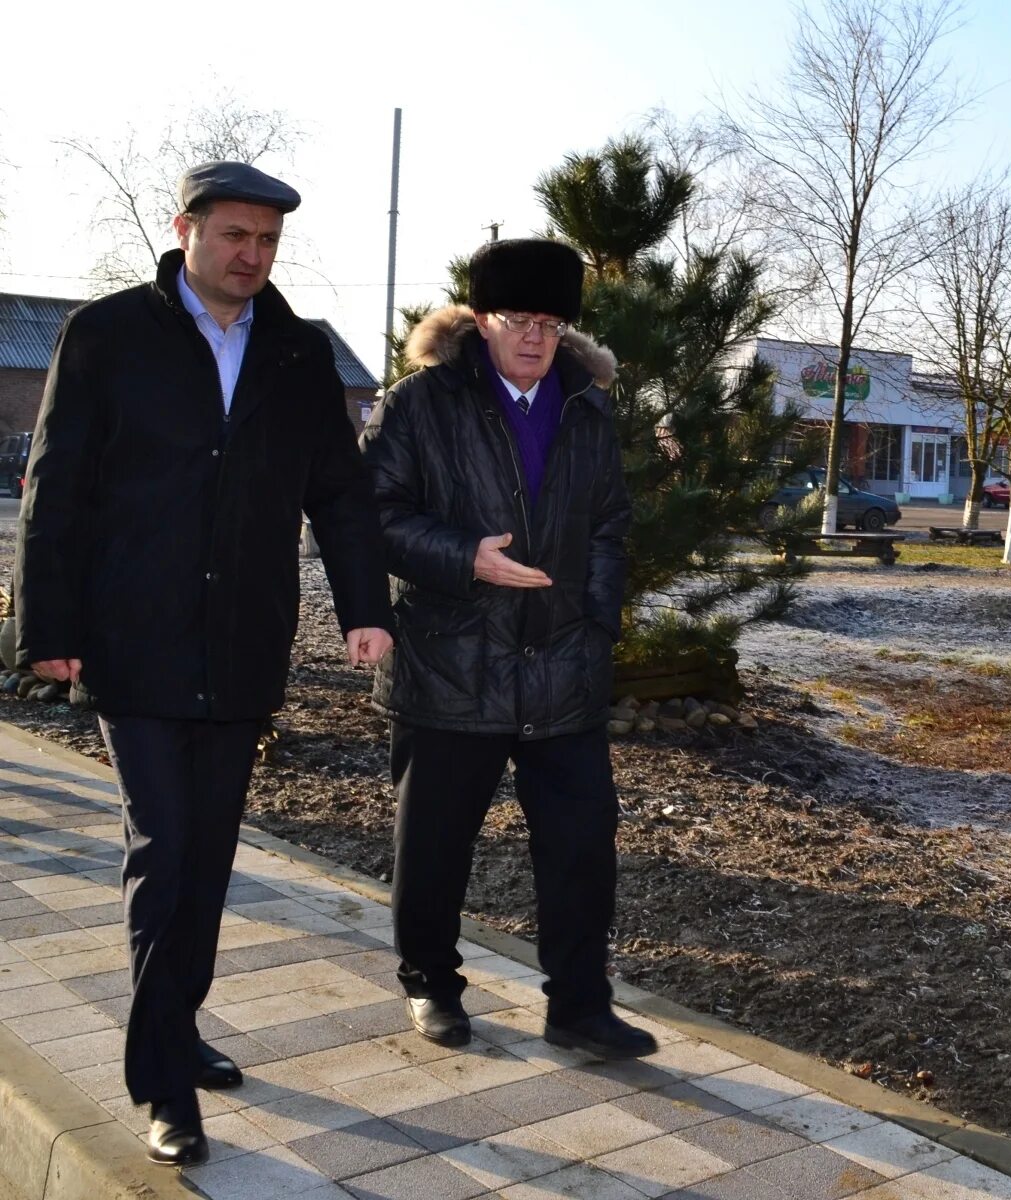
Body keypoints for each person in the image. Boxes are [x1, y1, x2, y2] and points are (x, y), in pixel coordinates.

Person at [13, 162, 393, 1166]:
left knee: (210, 853)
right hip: (129, 638)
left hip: (241, 645)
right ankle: (164, 1084)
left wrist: (366, 610)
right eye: (234, 236)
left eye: (267, 242)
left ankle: (176, 1023)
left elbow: (342, 495)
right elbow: (55, 486)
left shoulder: (298, 353)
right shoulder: (106, 335)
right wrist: (43, 624)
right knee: (165, 849)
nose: (252, 257)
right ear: (186, 229)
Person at [360, 238, 657, 1063]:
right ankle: (430, 984)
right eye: (519, 318)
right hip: (453, 662)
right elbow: (371, 515)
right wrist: (466, 558)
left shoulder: (586, 408)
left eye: (553, 323)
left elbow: (609, 526)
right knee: (434, 845)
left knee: (581, 846)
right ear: (481, 319)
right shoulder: (422, 404)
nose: (535, 337)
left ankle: (579, 1007)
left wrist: (595, 620)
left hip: (564, 668)